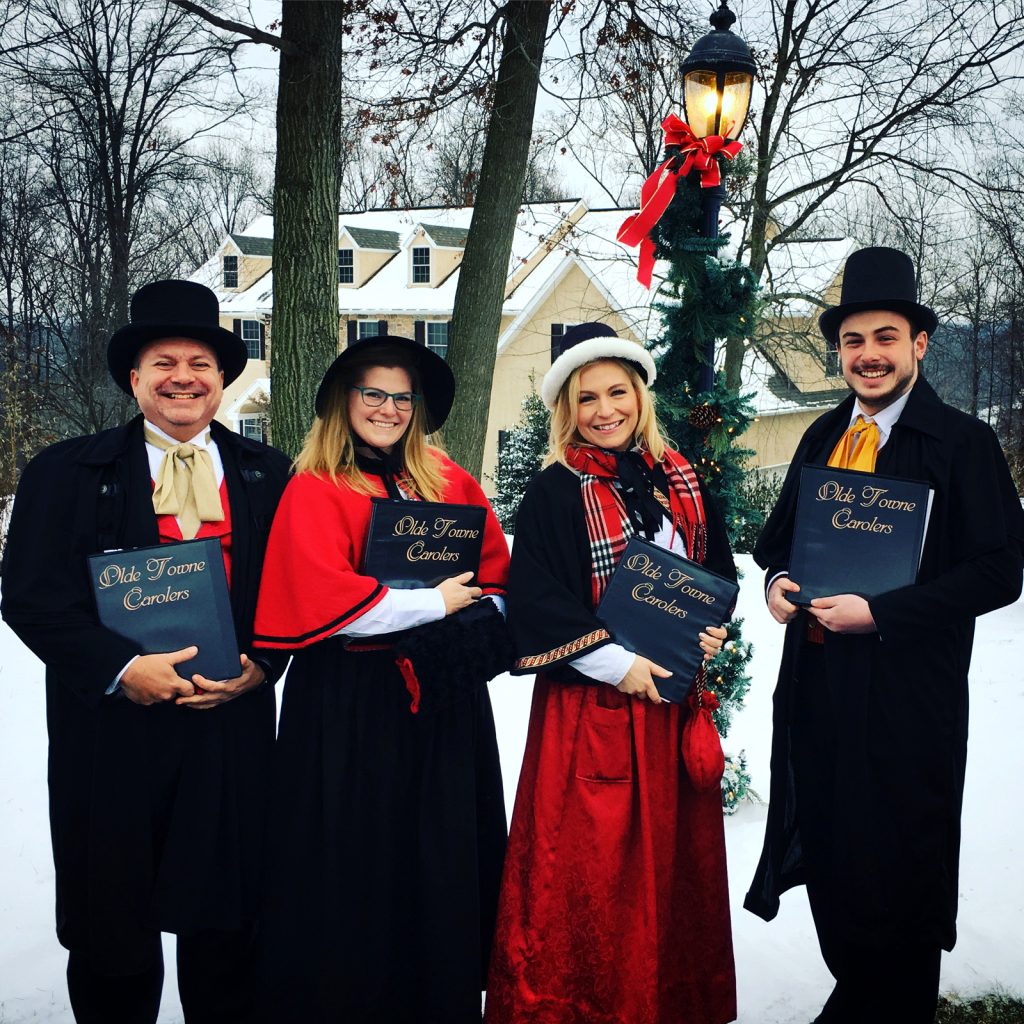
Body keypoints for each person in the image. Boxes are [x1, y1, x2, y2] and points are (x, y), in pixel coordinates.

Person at [744, 247, 1024, 1023]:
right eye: (853, 341)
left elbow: (1002, 571)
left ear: (919, 344)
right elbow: (777, 544)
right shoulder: (823, 434)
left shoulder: (960, 444)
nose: (868, 356)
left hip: (906, 701)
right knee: (833, 855)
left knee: (897, 867)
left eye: (885, 338)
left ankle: (890, 1005)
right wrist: (776, 587)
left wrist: (885, 613)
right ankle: (861, 993)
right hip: (819, 691)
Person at [0, 280, 291, 1024]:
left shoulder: (270, 476)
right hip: (112, 740)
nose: (183, 377)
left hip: (230, 737)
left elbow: (295, 590)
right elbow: (32, 596)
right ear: (135, 378)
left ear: (224, 378)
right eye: (164, 361)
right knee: (112, 936)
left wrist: (265, 662)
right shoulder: (65, 472)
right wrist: (123, 669)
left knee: (229, 931)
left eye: (200, 361)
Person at [250, 334, 510, 1024]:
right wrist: (436, 604)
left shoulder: (451, 481)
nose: (389, 408)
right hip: (348, 706)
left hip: (443, 704)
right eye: (374, 393)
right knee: (355, 861)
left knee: (439, 858)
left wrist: (474, 620)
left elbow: (497, 576)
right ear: (345, 400)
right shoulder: (314, 487)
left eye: (402, 397)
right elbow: (322, 599)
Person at [486, 322, 736, 1024]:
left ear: (639, 395)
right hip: (592, 713)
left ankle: (665, 1001)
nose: (604, 410)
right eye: (586, 397)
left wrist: (711, 630)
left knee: (669, 871)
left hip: (671, 706)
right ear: (567, 407)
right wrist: (620, 664)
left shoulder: (682, 480)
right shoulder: (554, 493)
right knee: (591, 876)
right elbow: (537, 603)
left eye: (617, 392)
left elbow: (714, 574)